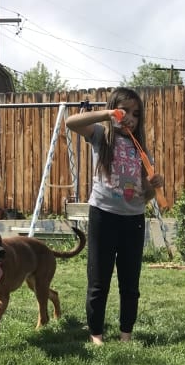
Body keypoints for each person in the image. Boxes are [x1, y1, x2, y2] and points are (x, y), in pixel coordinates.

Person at [65, 87, 164, 345]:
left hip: (133, 220)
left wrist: (154, 184)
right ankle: (96, 335)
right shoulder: (101, 137)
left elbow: (146, 196)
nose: (130, 117)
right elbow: (70, 122)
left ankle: (125, 335)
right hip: (103, 216)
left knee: (130, 283)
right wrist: (108, 114)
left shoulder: (141, 151)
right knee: (99, 280)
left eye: (135, 113)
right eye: (124, 111)